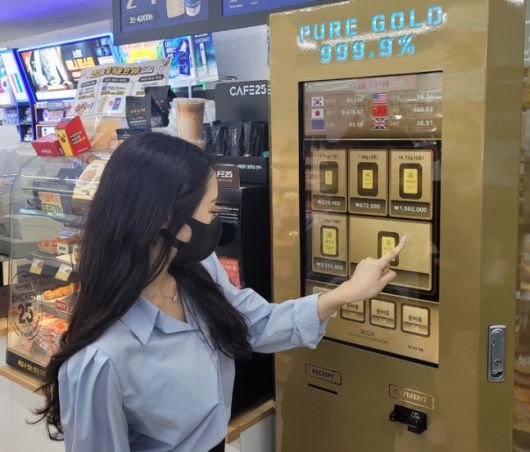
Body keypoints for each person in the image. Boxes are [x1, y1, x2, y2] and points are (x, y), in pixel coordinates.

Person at [34, 132, 405, 452]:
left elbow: (252, 323)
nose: (217, 221)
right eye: (212, 210)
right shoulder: (100, 361)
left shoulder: (196, 272)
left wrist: (345, 293)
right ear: (166, 218)